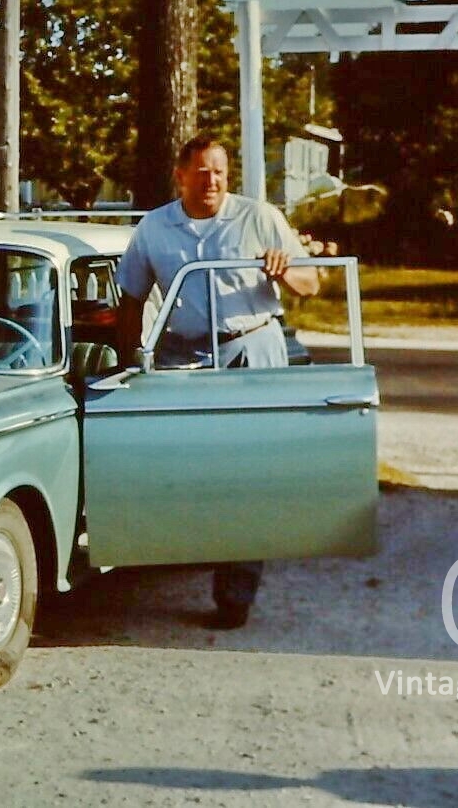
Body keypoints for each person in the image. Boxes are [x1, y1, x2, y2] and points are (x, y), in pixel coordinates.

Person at [114, 134, 319, 630]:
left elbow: (312, 285)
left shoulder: (259, 217)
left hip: (252, 348)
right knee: (192, 470)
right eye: (202, 172)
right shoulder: (154, 227)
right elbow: (130, 298)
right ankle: (185, 554)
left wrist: (285, 270)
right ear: (180, 176)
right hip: (184, 355)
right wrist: (126, 361)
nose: (212, 182)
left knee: (249, 473)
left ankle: (235, 594)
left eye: (220, 172)